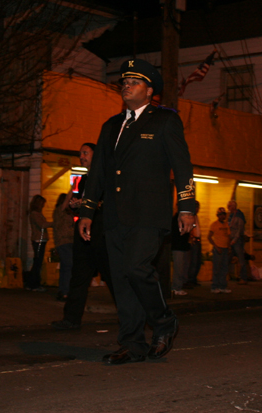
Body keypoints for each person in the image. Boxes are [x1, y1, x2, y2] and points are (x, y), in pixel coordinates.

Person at [79, 58, 196, 365]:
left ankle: (163, 322)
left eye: (133, 82)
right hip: (116, 216)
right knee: (121, 278)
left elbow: (182, 166)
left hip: (148, 214)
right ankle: (132, 343)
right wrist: (88, 211)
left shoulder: (164, 120)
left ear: (149, 90)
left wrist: (186, 207)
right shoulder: (111, 126)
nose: (126, 86)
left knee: (135, 268)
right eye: (124, 82)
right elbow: (99, 173)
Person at [52, 143, 115, 331]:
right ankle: (71, 319)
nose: (82, 156)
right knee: (78, 277)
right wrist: (74, 203)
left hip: (100, 236)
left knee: (113, 277)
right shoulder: (81, 180)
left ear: (96, 155)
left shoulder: (106, 178)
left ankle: (131, 317)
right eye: (80, 154)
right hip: (82, 237)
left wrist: (89, 204)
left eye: (85, 153)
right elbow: (71, 205)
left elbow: (108, 204)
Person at [171, 201, 199, 296]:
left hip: (183, 246)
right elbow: (179, 232)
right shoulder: (176, 218)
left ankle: (180, 285)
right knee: (178, 268)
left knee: (183, 267)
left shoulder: (185, 218)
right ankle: (176, 287)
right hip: (178, 246)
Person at [52, 188, 76, 301]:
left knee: (65, 267)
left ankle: (63, 290)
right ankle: (65, 291)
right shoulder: (59, 211)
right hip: (63, 242)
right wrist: (73, 187)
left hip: (69, 241)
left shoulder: (67, 213)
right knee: (69, 266)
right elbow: (67, 199)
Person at [27, 195, 53, 292]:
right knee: (38, 262)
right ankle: (34, 284)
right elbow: (42, 225)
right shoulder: (35, 214)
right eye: (42, 203)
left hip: (39, 239)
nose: (43, 206)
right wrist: (53, 223)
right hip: (39, 240)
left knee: (37, 262)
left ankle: (31, 283)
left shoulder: (36, 214)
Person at [208, 207, 232, 293]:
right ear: (218, 216)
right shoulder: (214, 225)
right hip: (218, 248)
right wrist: (216, 246)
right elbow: (209, 237)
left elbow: (228, 236)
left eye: (224, 215)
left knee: (224, 268)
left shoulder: (226, 225)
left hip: (225, 249)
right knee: (217, 268)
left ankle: (222, 286)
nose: (223, 216)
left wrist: (229, 247)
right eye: (221, 215)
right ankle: (214, 286)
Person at [227, 200, 248, 285]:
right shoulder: (230, 216)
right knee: (228, 258)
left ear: (234, 206)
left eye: (230, 206)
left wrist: (235, 239)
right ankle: (227, 276)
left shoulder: (239, 216)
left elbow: (240, 229)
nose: (228, 208)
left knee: (240, 259)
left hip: (237, 240)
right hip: (230, 239)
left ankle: (243, 277)